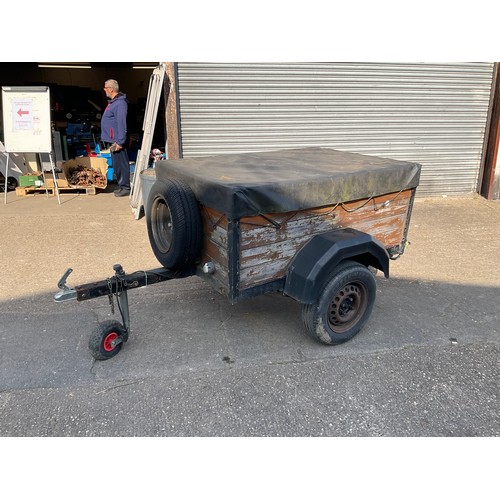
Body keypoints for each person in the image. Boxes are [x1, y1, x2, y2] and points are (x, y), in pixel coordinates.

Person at [101, 79, 130, 197]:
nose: (104, 90)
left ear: (111, 89)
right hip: (114, 140)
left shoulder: (120, 103)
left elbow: (121, 123)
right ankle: (122, 186)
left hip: (117, 141)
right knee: (117, 165)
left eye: (105, 88)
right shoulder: (114, 102)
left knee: (121, 164)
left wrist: (120, 141)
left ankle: (126, 187)